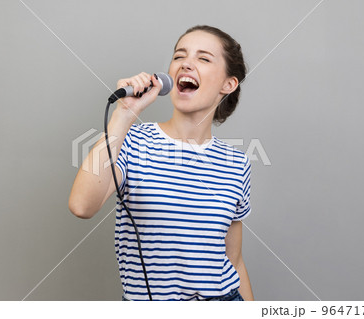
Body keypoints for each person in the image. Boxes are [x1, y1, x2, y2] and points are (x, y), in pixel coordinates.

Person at [69, 25, 253, 301]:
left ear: (228, 84)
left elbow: (234, 259)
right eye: (179, 56)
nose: (186, 63)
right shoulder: (131, 142)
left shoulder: (237, 163)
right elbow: (82, 206)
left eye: (203, 58)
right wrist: (124, 114)